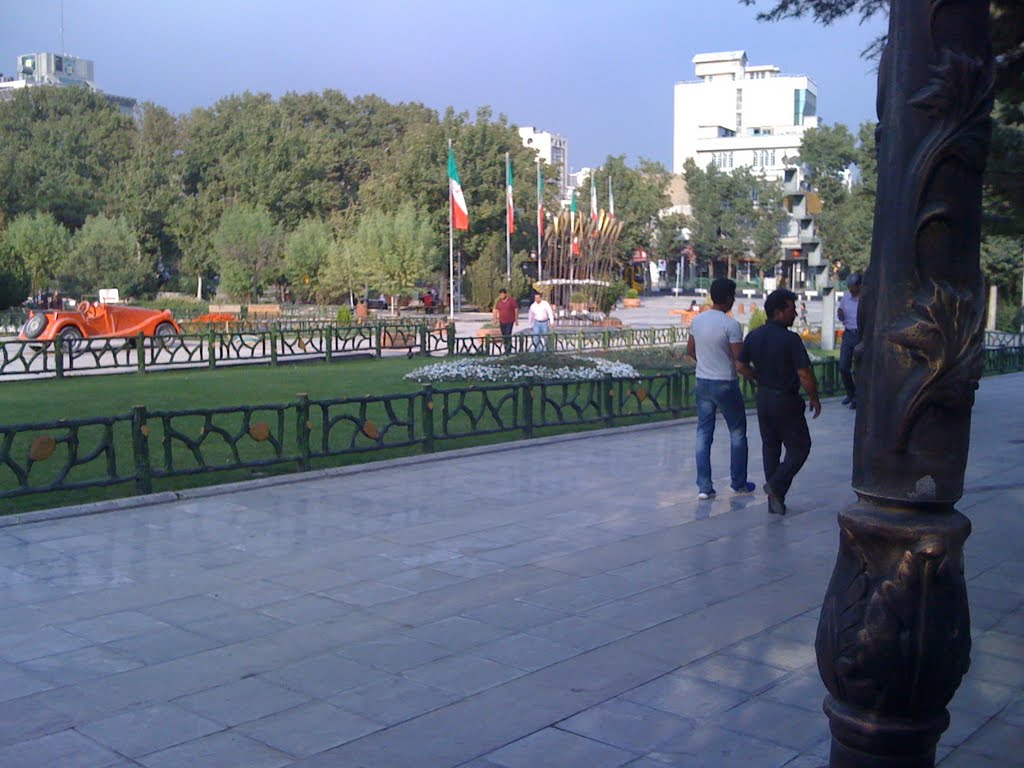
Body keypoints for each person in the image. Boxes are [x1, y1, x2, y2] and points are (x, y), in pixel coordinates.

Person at [737, 288, 822, 516]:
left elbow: (741, 366)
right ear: (778, 312)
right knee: (800, 447)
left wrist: (757, 377)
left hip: (763, 398)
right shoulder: (790, 340)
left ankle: (775, 500)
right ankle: (776, 486)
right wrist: (814, 397)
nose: (795, 314)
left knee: (771, 447)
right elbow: (804, 374)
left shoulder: (754, 336)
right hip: (786, 400)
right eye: (791, 309)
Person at [687, 278, 755, 500]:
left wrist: (706, 362)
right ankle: (738, 483)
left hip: (703, 382)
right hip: (725, 383)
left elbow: (690, 350)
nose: (734, 301)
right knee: (737, 432)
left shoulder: (698, 321)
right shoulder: (731, 325)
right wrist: (757, 378)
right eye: (733, 297)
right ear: (727, 298)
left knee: (703, 433)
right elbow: (740, 361)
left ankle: (704, 487)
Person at [837, 273, 862, 409]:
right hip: (848, 334)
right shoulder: (846, 297)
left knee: (858, 368)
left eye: (853, 287)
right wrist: (840, 314)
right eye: (849, 287)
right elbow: (840, 313)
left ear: (859, 286)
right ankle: (850, 393)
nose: (851, 290)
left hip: (860, 335)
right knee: (843, 366)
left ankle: (857, 398)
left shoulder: (865, 299)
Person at [493, 288, 519, 355]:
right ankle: (506, 349)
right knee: (504, 335)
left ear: (505, 294)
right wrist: (495, 319)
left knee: (508, 334)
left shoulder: (511, 301)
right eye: (500, 295)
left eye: (502, 294)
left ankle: (508, 349)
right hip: (502, 321)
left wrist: (516, 319)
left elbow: (516, 309)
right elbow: (495, 310)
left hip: (509, 321)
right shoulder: (499, 302)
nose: (501, 296)